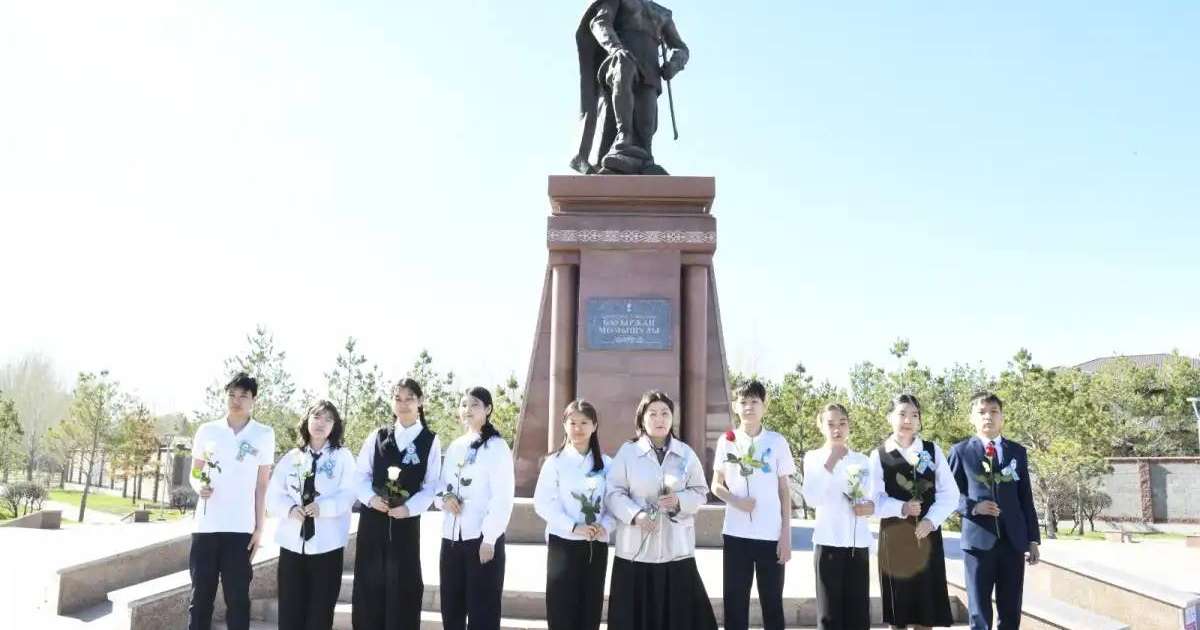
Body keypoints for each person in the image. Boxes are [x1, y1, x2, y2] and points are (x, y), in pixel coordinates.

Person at [605, 390, 717, 630]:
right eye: (652, 413)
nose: (659, 419)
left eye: (665, 413)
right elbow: (613, 493)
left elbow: (700, 492)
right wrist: (636, 515)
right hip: (635, 551)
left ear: (671, 418)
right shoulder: (628, 453)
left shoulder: (685, 453)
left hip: (676, 550)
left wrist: (679, 501)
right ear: (642, 419)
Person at [351, 378, 442, 630]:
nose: (403, 404)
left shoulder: (429, 440)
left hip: (406, 524)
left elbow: (431, 486)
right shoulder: (378, 436)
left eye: (409, 398)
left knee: (404, 586)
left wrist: (409, 508)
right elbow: (359, 476)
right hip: (373, 523)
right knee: (369, 588)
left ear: (420, 402)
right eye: (398, 398)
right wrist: (371, 499)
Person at [187, 371, 276, 630]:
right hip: (206, 526)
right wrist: (198, 484)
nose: (236, 400)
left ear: (253, 400)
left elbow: (262, 485)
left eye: (243, 396)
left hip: (240, 529)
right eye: (232, 395)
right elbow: (195, 471)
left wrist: (260, 528)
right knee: (200, 597)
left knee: (237, 598)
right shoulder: (207, 430)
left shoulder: (264, 434)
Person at [948, 392, 1041, 630]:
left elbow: (1025, 497)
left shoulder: (1017, 452)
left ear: (1002, 417)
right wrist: (973, 507)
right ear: (972, 418)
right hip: (978, 543)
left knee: (1011, 608)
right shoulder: (960, 452)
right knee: (979, 609)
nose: (987, 417)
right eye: (981, 412)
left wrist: (1032, 539)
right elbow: (948, 495)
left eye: (993, 412)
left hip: (1013, 541)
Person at [869, 393, 960, 630]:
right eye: (902, 414)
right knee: (899, 609)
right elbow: (874, 500)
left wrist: (931, 520)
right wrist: (901, 508)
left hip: (926, 536)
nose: (908, 419)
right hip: (894, 538)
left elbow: (950, 493)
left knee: (925, 610)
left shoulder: (931, 450)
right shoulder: (879, 455)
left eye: (914, 415)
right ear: (890, 417)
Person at [710, 380, 795, 630]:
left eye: (754, 401)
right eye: (744, 402)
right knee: (735, 603)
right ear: (736, 406)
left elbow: (784, 490)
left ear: (764, 406)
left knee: (772, 604)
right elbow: (716, 485)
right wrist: (736, 501)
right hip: (736, 534)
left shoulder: (777, 441)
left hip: (771, 535)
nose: (749, 407)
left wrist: (786, 536)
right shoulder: (728, 441)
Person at [266, 400, 357, 630]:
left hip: (327, 546)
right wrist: (289, 509)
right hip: (292, 546)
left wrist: (323, 508)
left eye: (328, 419)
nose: (321, 423)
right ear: (307, 420)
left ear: (334, 426)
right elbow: (273, 495)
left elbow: (350, 493)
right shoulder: (292, 458)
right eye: (317, 416)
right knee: (289, 611)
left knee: (320, 613)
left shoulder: (342, 457)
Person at [571, 0, 689, 175]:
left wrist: (674, 64)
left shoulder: (663, 13)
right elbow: (599, 23)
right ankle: (622, 138)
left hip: (649, 71)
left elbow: (681, 49)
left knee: (646, 122)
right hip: (618, 62)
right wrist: (616, 49)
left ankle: (645, 159)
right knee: (624, 66)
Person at [436, 386, 515, 630]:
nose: (467, 410)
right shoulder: (456, 445)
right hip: (451, 538)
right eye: (463, 404)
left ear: (488, 409)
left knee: (483, 610)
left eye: (474, 405)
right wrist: (445, 499)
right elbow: (440, 486)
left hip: (480, 539)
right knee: (452, 608)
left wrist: (490, 538)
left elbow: (503, 496)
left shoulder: (497, 446)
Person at [533, 399, 615, 630]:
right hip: (563, 544)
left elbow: (614, 503)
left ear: (595, 426)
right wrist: (573, 526)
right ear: (564, 425)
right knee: (561, 609)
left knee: (590, 609)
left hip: (595, 544)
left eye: (584, 422)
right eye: (572, 422)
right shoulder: (554, 462)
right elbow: (543, 503)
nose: (578, 428)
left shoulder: (607, 465)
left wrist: (605, 526)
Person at [802, 403, 874, 630]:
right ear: (820, 426)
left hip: (857, 544)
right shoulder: (813, 458)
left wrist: (869, 507)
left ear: (849, 425)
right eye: (831, 424)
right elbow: (812, 498)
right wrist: (831, 461)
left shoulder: (862, 460)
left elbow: (873, 498)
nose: (837, 429)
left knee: (858, 615)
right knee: (829, 616)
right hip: (828, 542)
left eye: (842, 423)